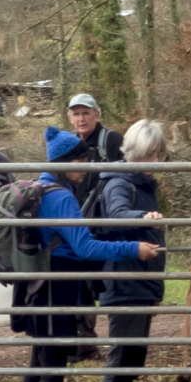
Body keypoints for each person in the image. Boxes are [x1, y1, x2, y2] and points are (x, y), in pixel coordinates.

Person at [8, 126, 160, 382]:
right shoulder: (60, 195)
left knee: (39, 358)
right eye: (79, 159)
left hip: (34, 282)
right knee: (54, 364)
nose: (85, 166)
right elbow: (85, 246)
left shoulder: (41, 189)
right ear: (64, 162)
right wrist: (132, 248)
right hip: (57, 283)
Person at [95, 119, 167, 382]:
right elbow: (116, 215)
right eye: (152, 154)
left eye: (160, 154)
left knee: (133, 354)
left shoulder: (140, 181)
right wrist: (142, 218)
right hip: (125, 280)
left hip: (141, 280)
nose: (158, 161)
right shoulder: (119, 182)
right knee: (123, 353)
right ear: (137, 153)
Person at [67, 93, 125, 361]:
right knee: (81, 281)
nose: (81, 118)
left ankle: (120, 341)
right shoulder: (68, 144)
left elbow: (128, 172)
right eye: (76, 114)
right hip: (78, 220)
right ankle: (85, 342)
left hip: (107, 223)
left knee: (110, 281)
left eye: (85, 113)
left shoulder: (111, 140)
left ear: (97, 115)